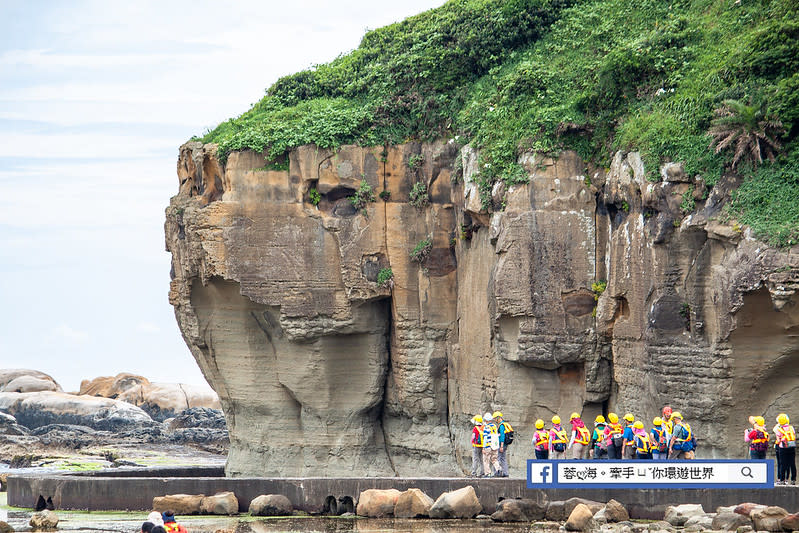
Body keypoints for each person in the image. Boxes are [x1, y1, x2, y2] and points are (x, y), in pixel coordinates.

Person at [774, 413, 796, 485]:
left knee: (783, 464)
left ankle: (782, 480)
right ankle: (793, 479)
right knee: (792, 463)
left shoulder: (779, 429)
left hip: (783, 448)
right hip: (791, 447)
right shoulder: (791, 427)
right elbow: (794, 435)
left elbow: (778, 440)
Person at [481, 412, 502, 477]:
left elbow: (485, 438)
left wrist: (483, 448)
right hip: (494, 446)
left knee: (486, 460)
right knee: (494, 459)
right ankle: (499, 469)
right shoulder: (494, 426)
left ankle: (488, 473)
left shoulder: (486, 427)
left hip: (488, 446)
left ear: (486, 420)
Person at [495, 411, 513, 477]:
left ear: (498, 418)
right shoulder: (504, 424)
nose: (495, 420)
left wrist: (501, 446)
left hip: (502, 444)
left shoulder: (501, 426)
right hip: (505, 444)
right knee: (503, 458)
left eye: (495, 418)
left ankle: (498, 472)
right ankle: (505, 473)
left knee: (498, 458)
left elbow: (502, 436)